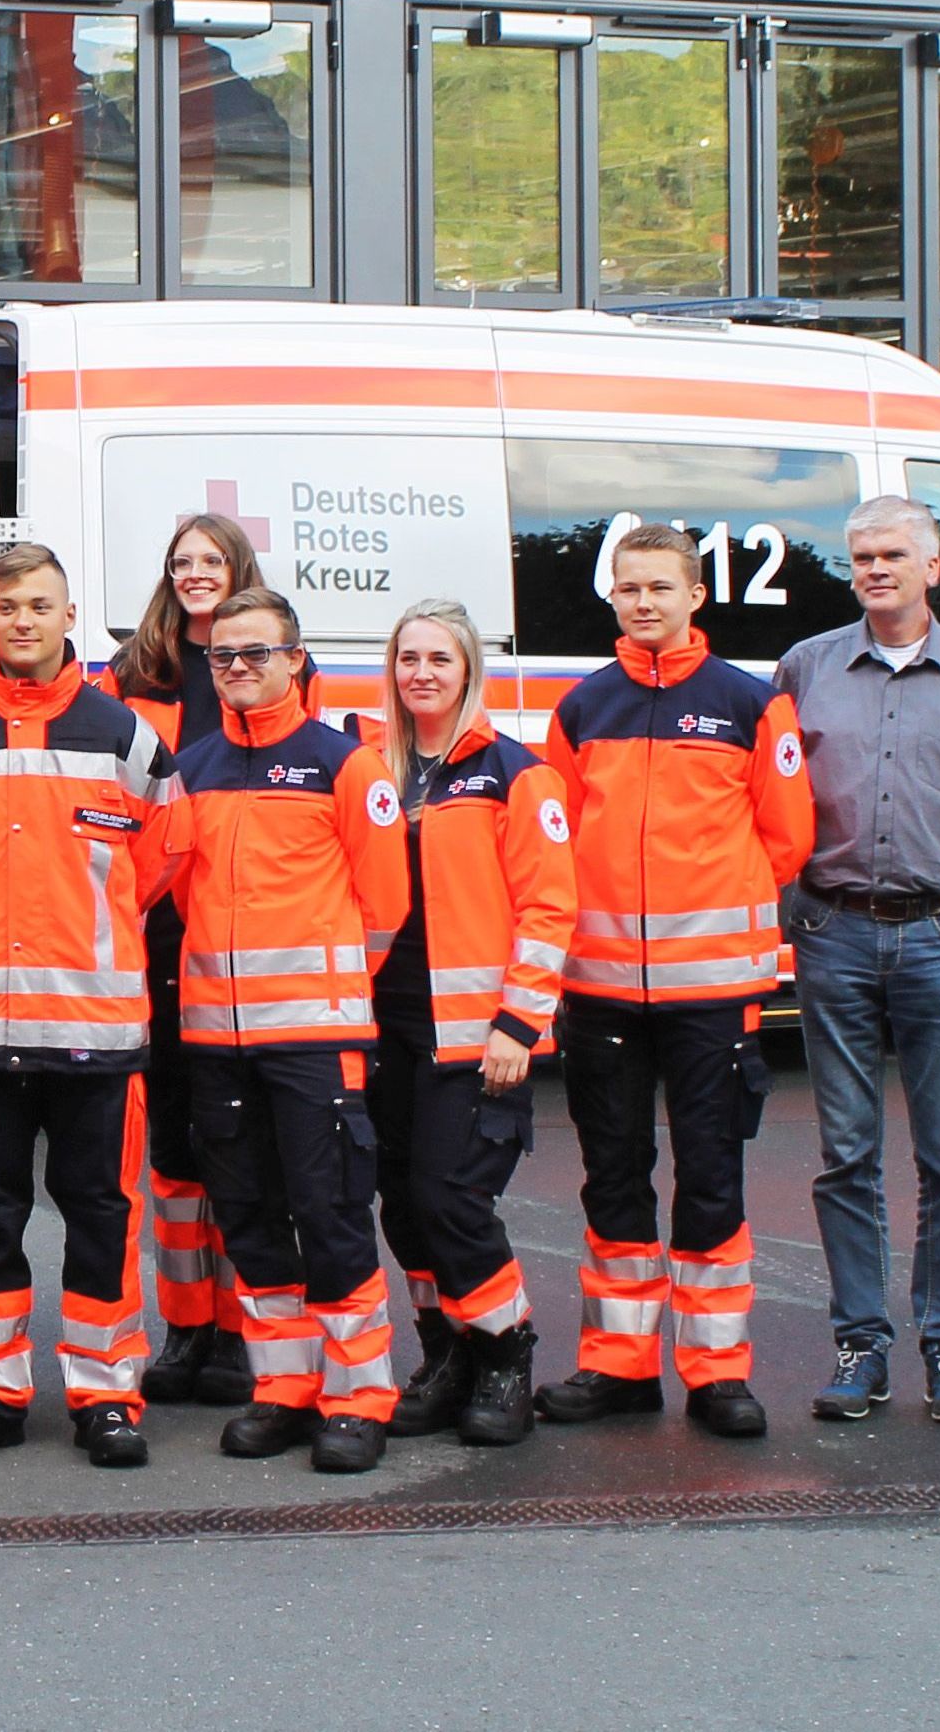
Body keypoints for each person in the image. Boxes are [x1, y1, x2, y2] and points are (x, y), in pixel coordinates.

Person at [0, 544, 175, 1469]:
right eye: (8, 605)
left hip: (95, 1029)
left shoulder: (126, 737)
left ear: (69, 617)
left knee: (102, 1215)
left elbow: (159, 859)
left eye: (40, 606)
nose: (23, 621)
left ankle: (106, 1394)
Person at [538, 522, 813, 1441]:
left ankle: (717, 1373)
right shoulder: (583, 709)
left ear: (696, 595)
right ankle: (618, 1366)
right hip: (602, 989)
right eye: (629, 588)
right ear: (612, 597)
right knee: (613, 1179)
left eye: (661, 586)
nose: (644, 602)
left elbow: (788, 838)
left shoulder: (750, 705)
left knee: (711, 1180)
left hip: (713, 994)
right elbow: (556, 842)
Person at [774, 496, 940, 1427]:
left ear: (933, 567)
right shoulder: (805, 668)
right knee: (846, 1155)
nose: (875, 570)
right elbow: (774, 802)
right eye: (862, 557)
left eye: (893, 555)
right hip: (834, 934)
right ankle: (861, 1344)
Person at [158, 589, 413, 1474]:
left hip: (314, 1041)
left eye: (256, 653)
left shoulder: (346, 766)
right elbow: (181, 895)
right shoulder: (191, 769)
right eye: (223, 655)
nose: (237, 668)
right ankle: (285, 1387)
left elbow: (385, 907)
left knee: (331, 1216)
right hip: (216, 1041)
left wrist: (325, 992)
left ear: (296, 660)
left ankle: (359, 1398)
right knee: (250, 1221)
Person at [362, 598, 572, 1449]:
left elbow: (549, 907)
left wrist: (519, 1023)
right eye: (408, 658)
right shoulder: (373, 769)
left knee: (452, 1197)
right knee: (403, 1204)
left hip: (474, 1032)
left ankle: (505, 1352)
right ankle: (445, 1355)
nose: (421, 673)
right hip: (384, 1025)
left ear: (468, 669)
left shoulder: (514, 773)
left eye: (438, 659)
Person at [108, 512, 263, 1405]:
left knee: (238, 1140)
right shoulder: (136, 671)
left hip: (239, 933)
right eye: (182, 562)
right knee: (172, 1146)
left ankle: (241, 1331)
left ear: (239, 567)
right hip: (156, 928)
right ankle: (187, 1325)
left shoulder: (273, 666)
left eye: (211, 559)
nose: (196, 573)